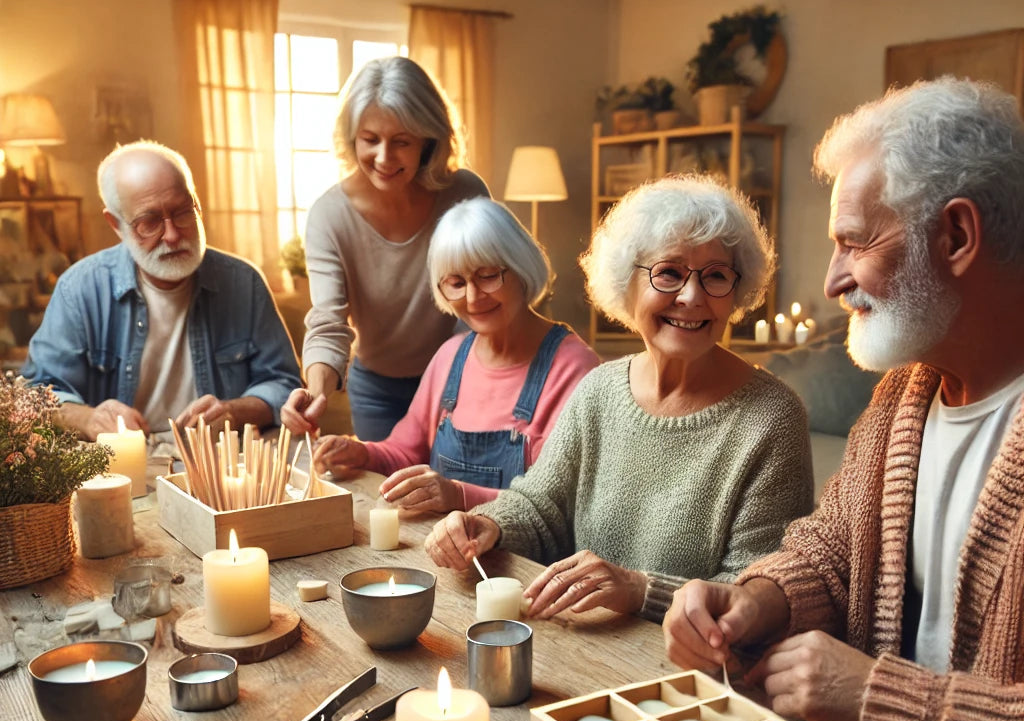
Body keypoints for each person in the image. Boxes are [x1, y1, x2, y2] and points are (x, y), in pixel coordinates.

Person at [662, 78, 1024, 721]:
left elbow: (878, 696)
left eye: (855, 241)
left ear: (956, 236)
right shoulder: (904, 394)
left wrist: (878, 699)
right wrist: (757, 600)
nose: (832, 280)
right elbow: (832, 552)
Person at [425, 175, 813, 622]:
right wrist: (487, 524)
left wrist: (640, 590)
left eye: (716, 277)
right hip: (583, 650)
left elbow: (756, 598)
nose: (692, 296)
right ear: (628, 283)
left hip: (687, 677)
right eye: (668, 273)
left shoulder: (773, 418)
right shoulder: (599, 390)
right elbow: (541, 505)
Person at [312, 197, 599, 512]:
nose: (473, 298)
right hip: (439, 550)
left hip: (523, 561)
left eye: (488, 276)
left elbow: (557, 504)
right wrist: (361, 454)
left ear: (521, 267)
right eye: (457, 283)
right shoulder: (450, 357)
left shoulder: (574, 367)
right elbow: (403, 453)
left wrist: (457, 496)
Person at [22, 141, 301, 441]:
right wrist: (90, 418)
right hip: (118, 465)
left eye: (183, 212)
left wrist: (234, 411)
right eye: (149, 222)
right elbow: (36, 396)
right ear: (116, 224)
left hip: (217, 461)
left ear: (197, 202)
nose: (172, 235)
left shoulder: (243, 282)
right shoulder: (79, 289)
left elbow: (284, 384)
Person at [280, 56, 489, 442]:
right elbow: (328, 322)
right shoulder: (329, 216)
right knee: (389, 501)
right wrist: (315, 395)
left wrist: (462, 377)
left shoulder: (464, 194)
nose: (384, 158)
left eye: (402, 142)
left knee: (454, 496)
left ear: (429, 140)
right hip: (378, 392)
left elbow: (481, 304)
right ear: (352, 137)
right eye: (370, 139)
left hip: (462, 379)